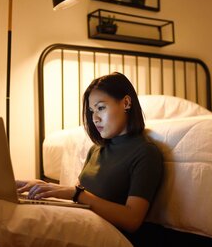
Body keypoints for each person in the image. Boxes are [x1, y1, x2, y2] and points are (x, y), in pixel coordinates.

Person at [16, 72, 163, 246]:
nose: (94, 118)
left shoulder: (145, 152)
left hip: (110, 236)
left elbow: (132, 220)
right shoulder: (96, 150)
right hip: (83, 223)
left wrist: (77, 194)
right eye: (92, 111)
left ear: (126, 102)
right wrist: (41, 186)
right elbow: (80, 194)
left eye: (101, 108)